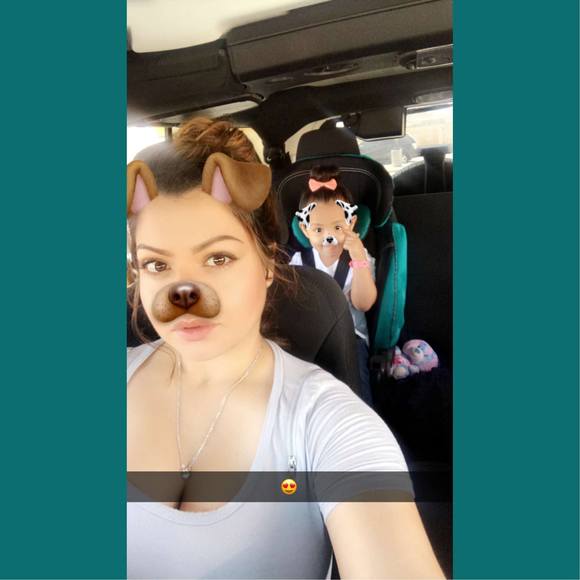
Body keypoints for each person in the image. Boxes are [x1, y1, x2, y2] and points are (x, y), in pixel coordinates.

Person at [126, 117, 444, 579]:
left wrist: (355, 253)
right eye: (157, 264)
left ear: (268, 264)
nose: (184, 290)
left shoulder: (327, 421)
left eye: (218, 258)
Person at [290, 166, 376, 407]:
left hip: (351, 337)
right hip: (311, 336)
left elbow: (363, 303)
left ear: (352, 222)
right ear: (304, 228)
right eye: (318, 229)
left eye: (338, 228)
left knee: (355, 389)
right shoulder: (298, 262)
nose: (329, 236)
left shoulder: (361, 259)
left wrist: (357, 257)